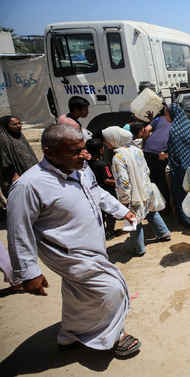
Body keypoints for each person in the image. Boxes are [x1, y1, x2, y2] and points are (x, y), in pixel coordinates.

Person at [7, 123, 141, 356]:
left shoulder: (81, 168)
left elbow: (96, 192)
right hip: (68, 253)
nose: (84, 155)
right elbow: (19, 231)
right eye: (75, 151)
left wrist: (121, 211)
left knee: (77, 293)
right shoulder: (29, 186)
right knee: (113, 289)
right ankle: (115, 334)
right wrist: (29, 273)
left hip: (93, 245)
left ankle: (70, 333)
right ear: (50, 153)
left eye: (83, 148)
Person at [103, 126, 171, 256]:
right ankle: (164, 233)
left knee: (133, 220)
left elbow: (123, 182)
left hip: (133, 194)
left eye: (107, 139)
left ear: (114, 139)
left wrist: (124, 200)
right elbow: (146, 170)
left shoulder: (118, 158)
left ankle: (139, 248)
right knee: (151, 211)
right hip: (146, 188)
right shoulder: (136, 150)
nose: (105, 143)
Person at [167, 103, 190, 226]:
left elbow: (174, 152)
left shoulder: (173, 130)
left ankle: (186, 220)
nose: (165, 117)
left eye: (166, 114)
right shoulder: (189, 126)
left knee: (181, 194)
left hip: (179, 168)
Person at [86, 138, 118, 240]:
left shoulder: (85, 163)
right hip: (106, 191)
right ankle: (110, 232)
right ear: (101, 150)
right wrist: (119, 183)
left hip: (93, 192)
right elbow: (107, 180)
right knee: (110, 213)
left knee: (99, 213)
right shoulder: (102, 165)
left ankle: (101, 232)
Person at [142, 103, 172, 214]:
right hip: (161, 152)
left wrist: (144, 146)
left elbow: (146, 130)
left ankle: (155, 205)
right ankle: (166, 206)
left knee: (152, 178)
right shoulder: (177, 122)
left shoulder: (159, 119)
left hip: (148, 151)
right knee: (163, 179)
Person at [0, 115, 39, 198]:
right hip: (14, 175)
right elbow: (4, 160)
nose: (18, 126)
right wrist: (14, 174)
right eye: (14, 124)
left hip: (29, 170)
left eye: (19, 123)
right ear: (5, 126)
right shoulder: (3, 140)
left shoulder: (19, 135)